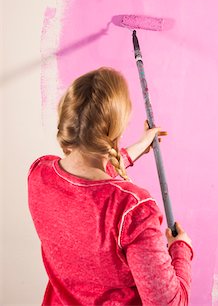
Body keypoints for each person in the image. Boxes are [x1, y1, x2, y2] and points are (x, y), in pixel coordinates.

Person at [27, 66, 194, 305]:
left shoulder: (40, 174)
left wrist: (139, 146)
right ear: (117, 129)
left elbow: (87, 180)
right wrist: (181, 251)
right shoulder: (133, 209)